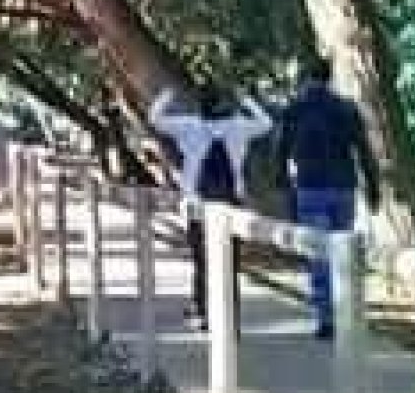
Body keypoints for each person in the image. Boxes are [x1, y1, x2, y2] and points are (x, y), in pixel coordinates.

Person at [148, 83, 275, 330]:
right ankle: (231, 316)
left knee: (202, 260)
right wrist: (247, 99)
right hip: (230, 204)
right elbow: (267, 123)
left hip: (198, 204)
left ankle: (206, 312)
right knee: (230, 263)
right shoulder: (239, 127)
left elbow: (154, 119)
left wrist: (168, 94)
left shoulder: (189, 126)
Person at [273, 53, 381, 339]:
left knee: (319, 253)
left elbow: (281, 148)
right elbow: (363, 149)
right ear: (329, 77)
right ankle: (346, 308)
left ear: (306, 78)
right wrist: (373, 186)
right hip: (344, 186)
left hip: (310, 187)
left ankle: (326, 317)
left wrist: (281, 182)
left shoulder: (295, 108)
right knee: (342, 250)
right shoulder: (346, 108)